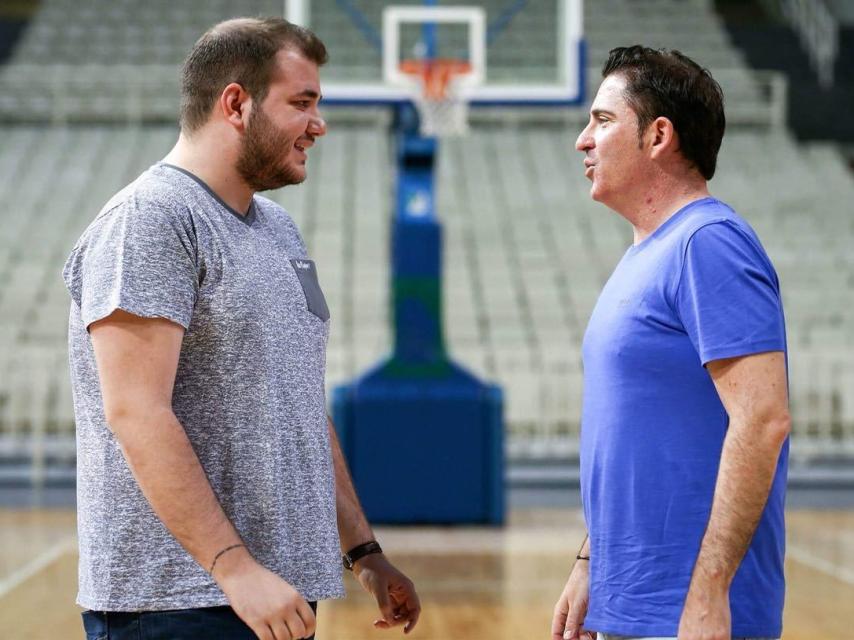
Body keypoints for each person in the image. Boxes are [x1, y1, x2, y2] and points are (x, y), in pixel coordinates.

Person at [63, 17, 420, 640]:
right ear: (236, 102)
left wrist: (362, 552)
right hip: (178, 604)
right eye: (302, 103)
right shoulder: (150, 220)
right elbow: (135, 410)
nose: (319, 124)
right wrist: (234, 568)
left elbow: (300, 398)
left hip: (277, 597)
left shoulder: (279, 229)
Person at [551, 46, 790, 640]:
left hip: (688, 614)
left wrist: (708, 592)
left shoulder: (708, 243)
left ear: (658, 135)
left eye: (602, 121)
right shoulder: (648, 253)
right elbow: (633, 432)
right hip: (632, 603)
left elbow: (762, 419)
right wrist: (591, 563)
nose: (583, 140)